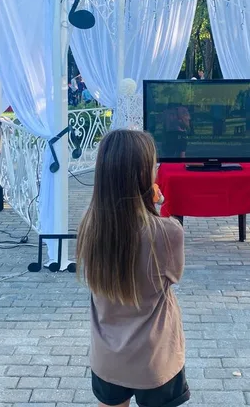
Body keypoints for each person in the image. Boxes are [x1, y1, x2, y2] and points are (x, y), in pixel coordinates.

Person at [76, 130, 190, 407]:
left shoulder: (89, 226)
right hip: (155, 358)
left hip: (107, 357)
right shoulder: (168, 232)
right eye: (153, 166)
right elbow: (173, 276)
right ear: (142, 175)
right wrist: (155, 208)